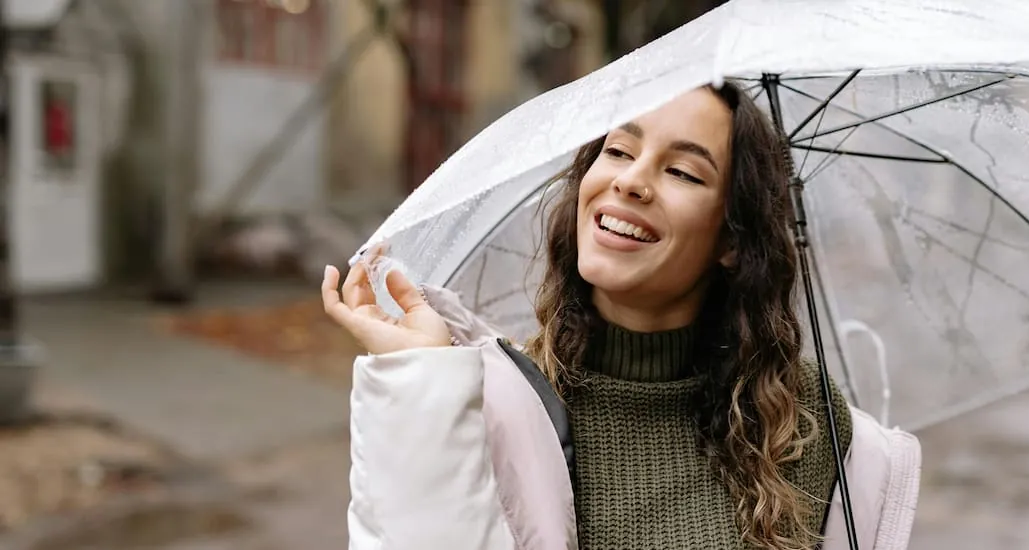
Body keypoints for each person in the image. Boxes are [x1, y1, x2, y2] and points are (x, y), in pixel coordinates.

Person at [323, 83, 921, 550]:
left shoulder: (802, 419)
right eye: (618, 150)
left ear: (732, 240)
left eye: (683, 171)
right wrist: (419, 380)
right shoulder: (492, 405)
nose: (631, 181)